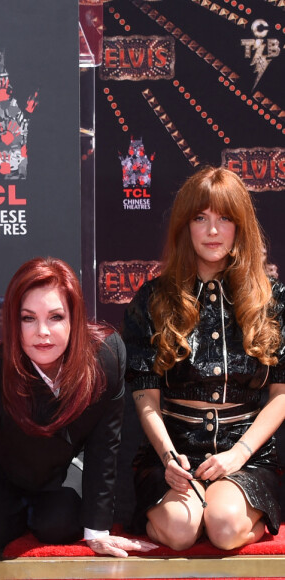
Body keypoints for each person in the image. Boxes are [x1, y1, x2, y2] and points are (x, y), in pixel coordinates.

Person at [0, 257, 156, 580]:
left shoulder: (107, 357)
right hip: (5, 473)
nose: (42, 333)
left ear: (75, 318)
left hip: (62, 471)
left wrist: (97, 532)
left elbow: (104, 449)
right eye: (29, 319)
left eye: (56, 317)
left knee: (60, 524)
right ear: (14, 322)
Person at [122, 166, 285, 551]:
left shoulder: (273, 299)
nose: (213, 231)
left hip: (245, 453)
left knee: (225, 527)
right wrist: (167, 457)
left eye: (224, 218)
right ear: (185, 227)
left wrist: (238, 454)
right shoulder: (152, 299)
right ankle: (186, 513)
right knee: (180, 529)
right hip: (174, 450)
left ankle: (228, 513)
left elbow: (281, 395)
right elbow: (145, 397)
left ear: (240, 227)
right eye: (200, 218)